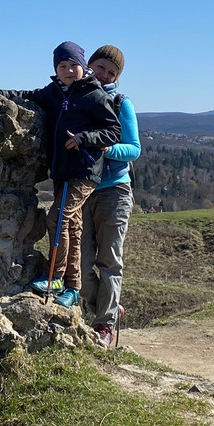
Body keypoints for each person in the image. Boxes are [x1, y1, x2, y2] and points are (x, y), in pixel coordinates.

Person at [0, 41, 120, 308]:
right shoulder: (53, 92)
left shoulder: (94, 95)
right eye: (62, 66)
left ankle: (55, 276)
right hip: (62, 171)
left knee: (58, 218)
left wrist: (83, 138)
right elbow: (27, 95)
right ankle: (73, 287)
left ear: (83, 67)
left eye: (73, 65)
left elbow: (113, 131)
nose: (68, 70)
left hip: (85, 170)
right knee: (73, 228)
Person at [79, 45, 140, 348]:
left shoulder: (119, 103)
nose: (104, 75)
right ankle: (109, 309)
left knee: (109, 261)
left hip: (114, 190)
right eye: (100, 67)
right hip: (81, 190)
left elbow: (134, 148)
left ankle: (104, 324)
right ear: (89, 64)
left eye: (111, 72)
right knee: (79, 263)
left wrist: (105, 148)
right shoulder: (75, 98)